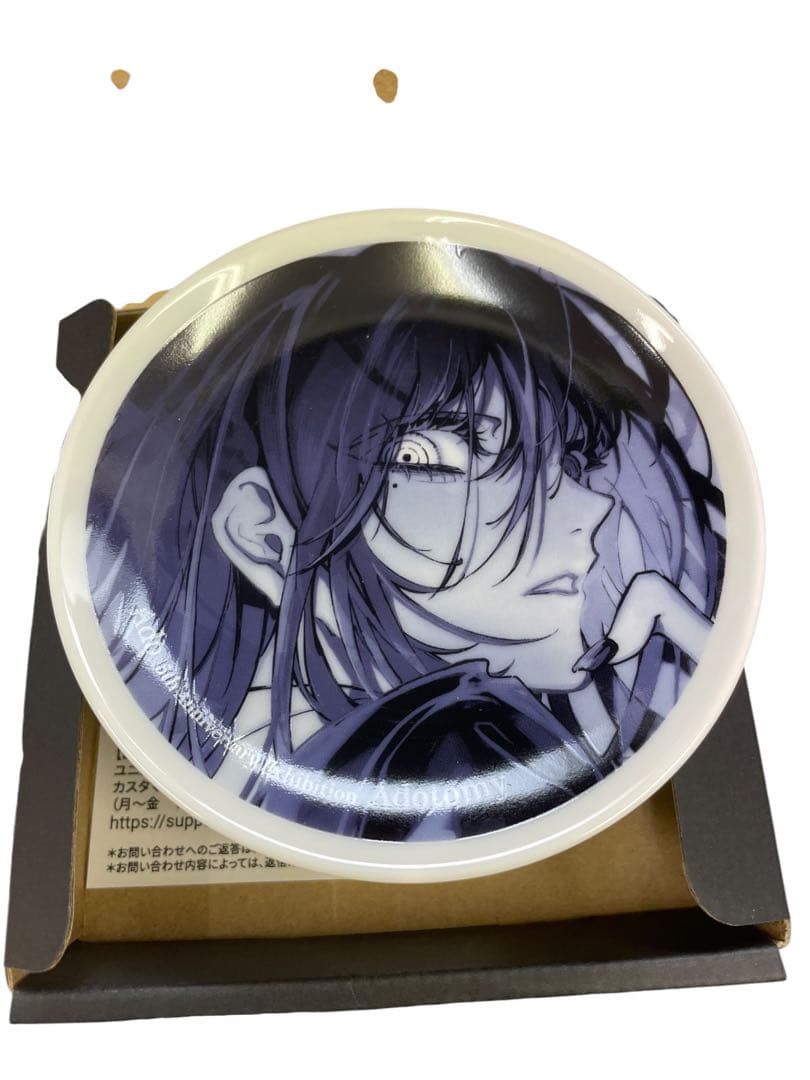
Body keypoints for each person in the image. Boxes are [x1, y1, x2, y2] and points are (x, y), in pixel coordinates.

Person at [87, 242, 725, 840]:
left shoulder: (256, 766)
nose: (593, 506)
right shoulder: (461, 739)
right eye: (436, 456)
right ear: (266, 535)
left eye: (571, 461)